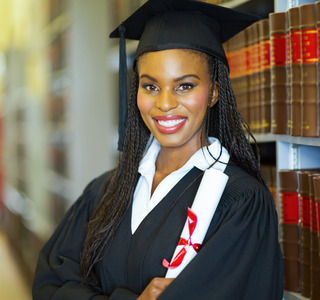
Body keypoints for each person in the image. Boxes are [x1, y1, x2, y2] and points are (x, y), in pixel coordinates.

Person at [32, 0, 283, 299]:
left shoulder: (241, 203)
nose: (164, 104)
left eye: (185, 86)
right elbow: (49, 286)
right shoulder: (105, 191)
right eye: (151, 86)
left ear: (214, 91)